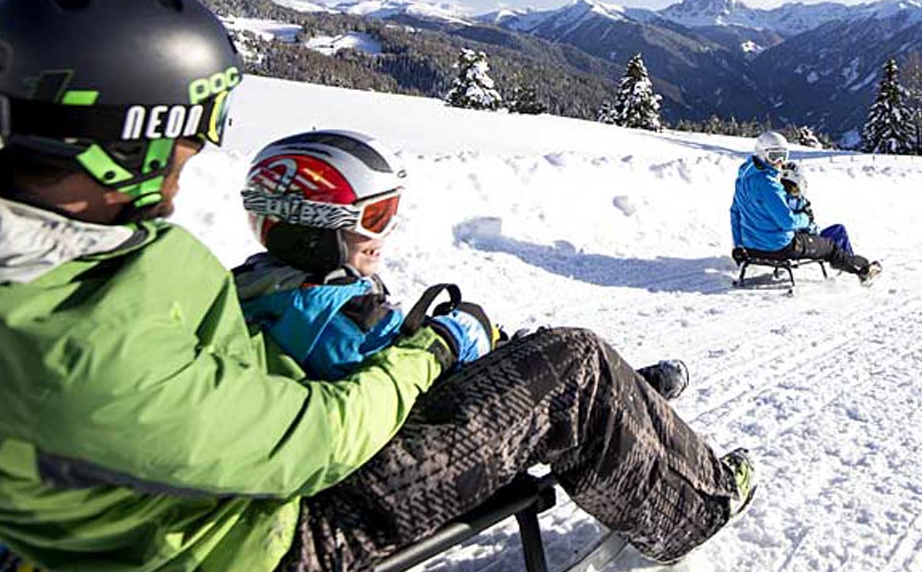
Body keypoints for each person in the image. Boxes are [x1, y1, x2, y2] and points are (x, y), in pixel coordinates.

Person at [0, 0, 752, 572]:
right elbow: (319, 440)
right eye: (189, 129)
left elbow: (211, 369)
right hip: (273, 540)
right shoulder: (79, 350)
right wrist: (430, 353)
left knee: (522, 377)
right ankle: (700, 501)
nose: (195, 154)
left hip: (131, 521)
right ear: (126, 131)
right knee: (573, 364)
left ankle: (617, 411)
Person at [231, 127, 689, 394]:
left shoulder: (270, 288)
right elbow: (393, 381)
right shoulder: (328, 318)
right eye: (375, 216)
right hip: (429, 437)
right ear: (313, 225)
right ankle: (602, 394)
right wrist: (458, 334)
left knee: (511, 341)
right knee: (551, 353)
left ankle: (604, 383)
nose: (385, 234)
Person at [730, 130, 881, 282]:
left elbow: (735, 212)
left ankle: (855, 266)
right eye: (774, 156)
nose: (780, 161)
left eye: (784, 155)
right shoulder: (768, 184)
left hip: (752, 247)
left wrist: (739, 245)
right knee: (830, 247)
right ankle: (863, 271)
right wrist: (805, 218)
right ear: (762, 154)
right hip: (780, 247)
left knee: (823, 240)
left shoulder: (743, 179)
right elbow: (787, 222)